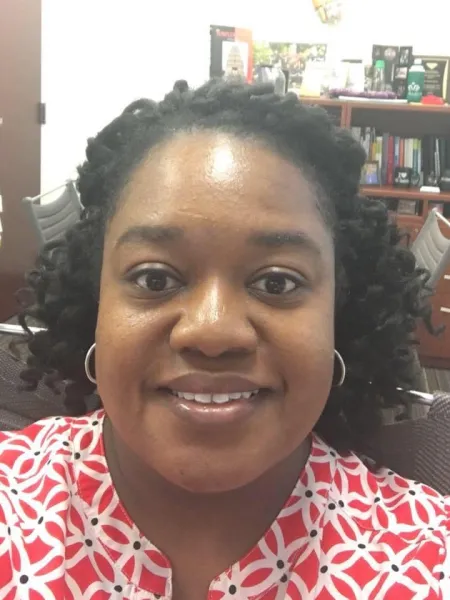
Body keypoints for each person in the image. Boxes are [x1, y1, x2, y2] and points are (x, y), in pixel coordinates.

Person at [0, 79, 448, 600]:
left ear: (337, 314)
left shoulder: (425, 560)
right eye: (154, 279)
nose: (212, 332)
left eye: (277, 282)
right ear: (97, 302)